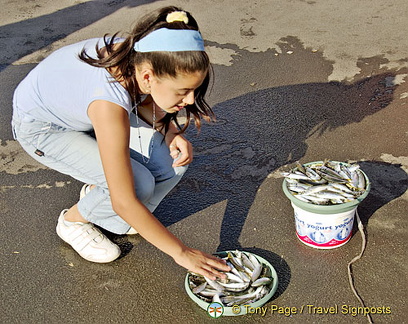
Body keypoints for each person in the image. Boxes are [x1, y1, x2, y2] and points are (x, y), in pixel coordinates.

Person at [11, 6, 229, 279]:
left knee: (174, 163)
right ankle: (73, 222)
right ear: (148, 76)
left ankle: (105, 200)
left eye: (194, 90)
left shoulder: (143, 56)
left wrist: (171, 132)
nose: (190, 101)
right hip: (43, 129)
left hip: (85, 115)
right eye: (183, 91)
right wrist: (181, 253)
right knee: (136, 185)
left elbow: (146, 98)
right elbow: (124, 200)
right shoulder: (107, 103)